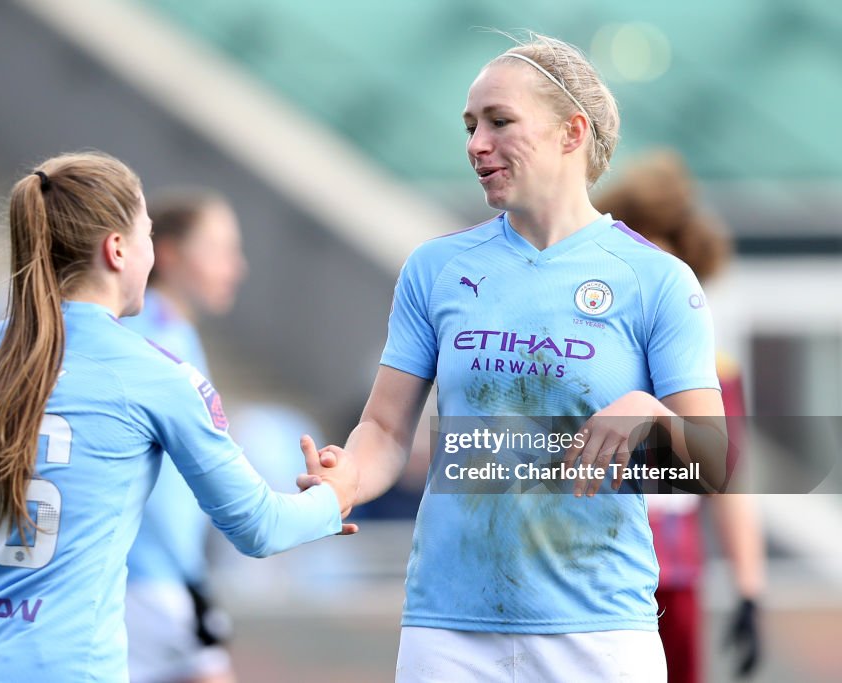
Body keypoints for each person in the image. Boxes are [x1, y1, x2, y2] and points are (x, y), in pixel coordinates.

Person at [0, 151, 357, 682]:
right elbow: (258, 528)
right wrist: (332, 499)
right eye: (147, 234)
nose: (151, 252)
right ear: (116, 249)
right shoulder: (154, 375)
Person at [307, 33, 728, 682]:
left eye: (500, 122)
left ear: (571, 133)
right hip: (446, 630)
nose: (477, 143)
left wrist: (649, 415)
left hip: (600, 632)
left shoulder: (657, 280)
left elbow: (710, 463)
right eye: (471, 125)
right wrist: (346, 481)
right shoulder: (436, 268)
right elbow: (386, 430)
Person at [595, 149, 764, 682]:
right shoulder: (591, 357)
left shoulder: (714, 371)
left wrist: (749, 590)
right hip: (589, 575)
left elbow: (728, 482)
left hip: (674, 579)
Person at [121, 189, 247, 683]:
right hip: (152, 579)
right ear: (170, 255)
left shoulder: (174, 334)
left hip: (159, 577)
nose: (236, 267)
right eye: (220, 250)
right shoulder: (154, 338)